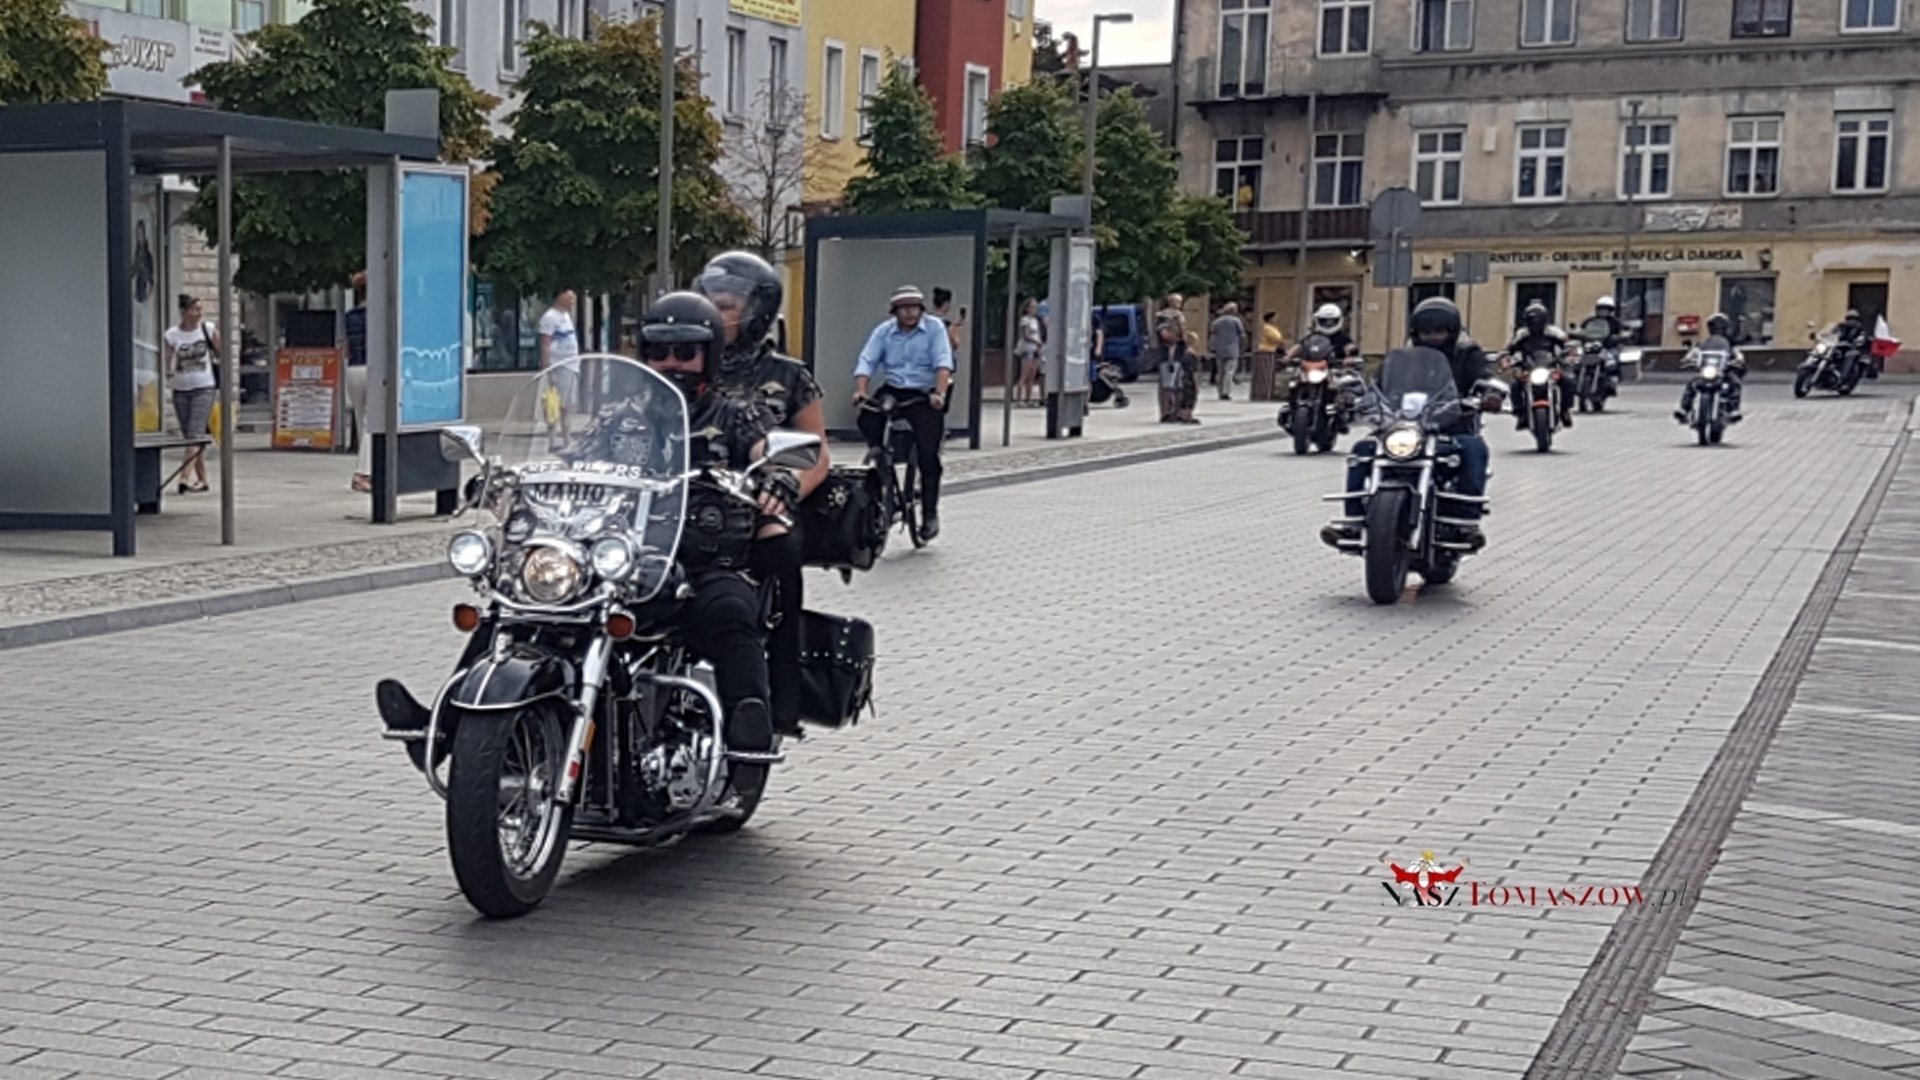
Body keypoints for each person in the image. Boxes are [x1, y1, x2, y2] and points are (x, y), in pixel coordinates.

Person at [638, 291, 800, 793]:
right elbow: (572, 458)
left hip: (706, 562)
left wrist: (780, 478)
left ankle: (749, 739)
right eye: (659, 352)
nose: (671, 363)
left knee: (731, 612)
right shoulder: (623, 415)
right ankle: (450, 724)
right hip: (627, 561)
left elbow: (769, 451)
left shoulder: (734, 414)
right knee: (528, 606)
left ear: (708, 355)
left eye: (685, 352)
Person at [693, 250, 830, 738]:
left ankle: (781, 701)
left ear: (757, 311)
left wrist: (784, 490)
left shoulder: (789, 375)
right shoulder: (687, 360)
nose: (715, 313)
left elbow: (816, 453)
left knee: (780, 553)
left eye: (726, 305)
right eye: (709, 302)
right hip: (686, 504)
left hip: (758, 504)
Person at [1323, 297, 1498, 549]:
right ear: (1416, 333)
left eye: (1439, 331)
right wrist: (1353, 395)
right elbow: (1379, 385)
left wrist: (1489, 394)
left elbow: (1484, 377)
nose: (1433, 337)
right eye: (1427, 332)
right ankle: (1354, 522)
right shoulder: (1402, 358)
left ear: (1452, 331)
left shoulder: (1467, 354)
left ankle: (1465, 523)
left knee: (1474, 449)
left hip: (1452, 428)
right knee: (1362, 452)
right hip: (1401, 428)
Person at [854, 286, 954, 540]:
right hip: (895, 389)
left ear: (921, 310)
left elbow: (943, 362)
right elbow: (867, 360)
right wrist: (860, 390)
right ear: (895, 311)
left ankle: (929, 514)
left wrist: (939, 394)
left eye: (914, 308)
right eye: (904, 309)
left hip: (924, 393)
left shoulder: (934, 328)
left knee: (928, 453)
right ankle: (881, 461)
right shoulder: (884, 331)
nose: (909, 313)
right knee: (867, 416)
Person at [164, 294, 220, 494]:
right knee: (190, 437)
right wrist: (168, 373)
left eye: (200, 309)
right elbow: (167, 360)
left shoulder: (208, 330)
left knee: (195, 434)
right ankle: (203, 479)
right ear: (184, 312)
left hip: (204, 387)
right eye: (194, 309)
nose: (198, 314)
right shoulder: (172, 335)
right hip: (180, 389)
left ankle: (184, 478)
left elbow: (222, 352)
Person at [1504, 300, 1573, 430]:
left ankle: (1565, 411)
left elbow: (1566, 343)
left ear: (1544, 319)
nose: (1535, 323)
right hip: (1528, 369)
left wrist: (1567, 353)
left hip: (1550, 367)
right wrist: (1507, 358)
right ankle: (1520, 413)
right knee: (1515, 385)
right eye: (1532, 320)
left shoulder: (1553, 332)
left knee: (1567, 381)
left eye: (1538, 319)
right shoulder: (1522, 334)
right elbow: (1510, 349)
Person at [1676, 313, 1746, 425]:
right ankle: (1684, 410)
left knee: (1735, 383)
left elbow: (1737, 353)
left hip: (1723, 371)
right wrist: (1688, 358)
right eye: (1715, 327)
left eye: (1720, 327)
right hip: (1707, 370)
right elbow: (1695, 351)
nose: (1717, 329)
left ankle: (1733, 410)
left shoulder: (1729, 343)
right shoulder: (1705, 342)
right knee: (1691, 385)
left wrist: (1738, 360)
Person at [539, 290, 581, 449]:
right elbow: (545, 343)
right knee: (554, 404)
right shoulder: (550, 317)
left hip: (571, 365)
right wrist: (548, 369)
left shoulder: (566, 316)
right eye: (570, 298)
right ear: (560, 297)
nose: (573, 302)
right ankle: (553, 439)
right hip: (559, 366)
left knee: (568, 404)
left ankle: (566, 438)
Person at [344, 271, 372, 493]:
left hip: (354, 368)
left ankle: (367, 470)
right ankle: (363, 474)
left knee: (361, 420)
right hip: (374, 369)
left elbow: (347, 346)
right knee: (371, 422)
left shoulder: (350, 316)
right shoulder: (379, 316)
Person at [1148, 319, 1198, 424]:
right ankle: (1167, 413)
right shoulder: (1163, 334)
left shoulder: (1181, 344)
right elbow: (1163, 334)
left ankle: (1179, 412)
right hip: (1167, 364)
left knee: (1180, 390)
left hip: (1177, 364)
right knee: (1167, 390)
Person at [1290, 303, 1359, 361]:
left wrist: (1350, 356)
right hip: (1311, 367)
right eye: (1324, 321)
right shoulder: (1313, 337)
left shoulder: (1343, 338)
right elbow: (1299, 346)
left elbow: (1350, 348)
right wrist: (1288, 356)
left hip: (1336, 369)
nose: (1328, 324)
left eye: (1332, 321)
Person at [1210, 302, 1248, 401]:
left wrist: (1212, 348)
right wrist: (1243, 347)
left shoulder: (1217, 322)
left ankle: (1220, 392)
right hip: (1233, 349)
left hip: (1219, 350)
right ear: (1234, 311)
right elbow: (1242, 335)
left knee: (1221, 372)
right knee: (1229, 372)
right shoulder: (1236, 321)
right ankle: (1226, 392)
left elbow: (1213, 336)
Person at [1014, 299, 1044, 406]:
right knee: (1024, 374)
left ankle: (1028, 399)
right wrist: (1036, 342)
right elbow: (1026, 335)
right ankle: (1019, 399)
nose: (1034, 309)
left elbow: (1037, 334)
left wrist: (1039, 346)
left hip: (1035, 349)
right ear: (1027, 308)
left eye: (1035, 307)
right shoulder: (1025, 320)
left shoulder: (1035, 321)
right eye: (1032, 307)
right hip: (1027, 349)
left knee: (1032, 375)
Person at [933, 287, 966, 355]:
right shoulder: (948, 325)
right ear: (946, 304)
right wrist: (955, 329)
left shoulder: (928, 322)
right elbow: (955, 344)